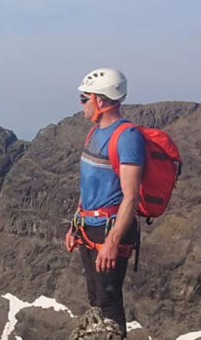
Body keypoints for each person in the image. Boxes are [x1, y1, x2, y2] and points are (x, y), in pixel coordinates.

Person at [65, 68, 145, 338]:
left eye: (84, 98)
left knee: (109, 302)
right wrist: (75, 225)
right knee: (97, 297)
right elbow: (88, 187)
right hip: (89, 227)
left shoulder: (126, 137)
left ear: (101, 100)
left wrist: (112, 241)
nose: (81, 104)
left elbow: (131, 196)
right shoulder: (94, 133)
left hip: (108, 231)